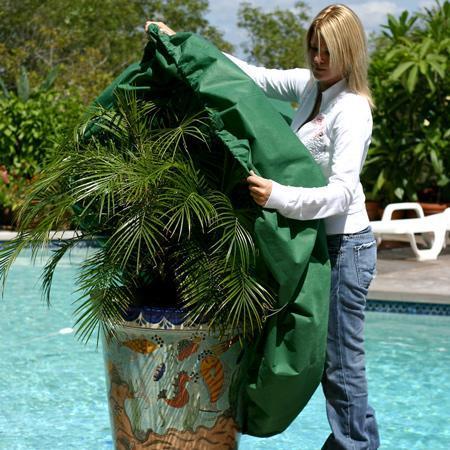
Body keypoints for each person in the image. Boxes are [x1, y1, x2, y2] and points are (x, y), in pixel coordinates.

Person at [146, 4, 379, 449]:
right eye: (313, 48)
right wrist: (184, 43)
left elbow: (341, 194)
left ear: (348, 51)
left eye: (327, 51)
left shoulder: (352, 110)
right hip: (311, 246)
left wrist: (278, 197)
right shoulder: (311, 89)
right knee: (323, 361)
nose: (317, 59)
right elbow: (252, 76)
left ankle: (358, 446)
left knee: (340, 365)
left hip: (344, 246)